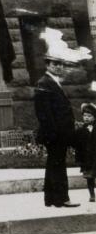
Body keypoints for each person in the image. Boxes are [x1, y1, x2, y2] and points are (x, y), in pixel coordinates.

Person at [32, 57, 79, 207]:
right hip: (55, 134)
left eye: (61, 64)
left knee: (54, 164)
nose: (59, 67)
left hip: (58, 133)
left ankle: (52, 199)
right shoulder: (44, 83)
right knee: (57, 165)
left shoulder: (51, 82)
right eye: (55, 64)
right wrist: (54, 134)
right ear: (47, 65)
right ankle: (62, 199)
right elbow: (43, 113)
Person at [74, 103, 96, 205]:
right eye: (85, 116)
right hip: (87, 159)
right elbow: (78, 147)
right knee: (89, 177)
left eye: (89, 116)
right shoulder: (80, 131)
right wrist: (78, 159)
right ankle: (92, 195)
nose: (86, 118)